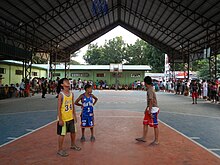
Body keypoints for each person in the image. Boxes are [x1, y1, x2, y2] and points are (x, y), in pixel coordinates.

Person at [57, 78, 81, 157]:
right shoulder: (61, 95)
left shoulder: (71, 94)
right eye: (65, 81)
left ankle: (73, 145)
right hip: (63, 118)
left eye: (68, 81)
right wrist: (60, 119)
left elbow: (72, 105)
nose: (67, 82)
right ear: (62, 85)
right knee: (62, 134)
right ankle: (60, 150)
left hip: (70, 117)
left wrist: (74, 115)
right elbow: (59, 108)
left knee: (73, 132)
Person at [136, 76, 160, 145]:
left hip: (153, 109)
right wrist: (147, 108)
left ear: (146, 83)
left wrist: (149, 110)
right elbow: (149, 101)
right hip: (150, 108)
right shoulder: (150, 89)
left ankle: (156, 140)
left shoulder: (150, 90)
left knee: (155, 124)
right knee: (145, 122)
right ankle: (144, 137)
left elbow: (151, 100)